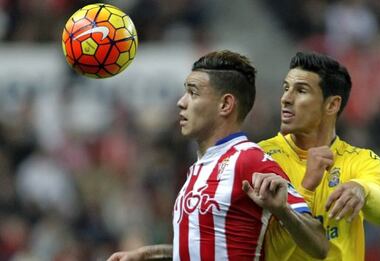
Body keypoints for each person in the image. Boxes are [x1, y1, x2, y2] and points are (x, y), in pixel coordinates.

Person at [107, 50, 329, 261]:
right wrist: (148, 255)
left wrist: (284, 211)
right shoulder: (198, 168)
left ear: (225, 104)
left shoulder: (248, 159)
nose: (181, 102)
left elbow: (320, 244)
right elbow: (202, 249)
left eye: (193, 92)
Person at [259, 51, 380, 261]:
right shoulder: (261, 157)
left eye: (300, 90)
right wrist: (307, 188)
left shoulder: (360, 160)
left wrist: (361, 189)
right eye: (286, 89)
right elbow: (270, 250)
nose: (286, 99)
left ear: (332, 105)